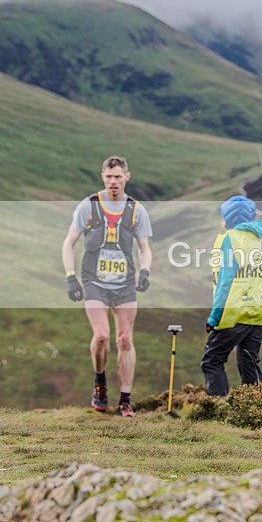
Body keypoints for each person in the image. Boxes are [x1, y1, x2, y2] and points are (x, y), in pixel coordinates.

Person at [62, 156, 152, 418]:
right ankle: (100, 383)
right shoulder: (89, 206)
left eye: (118, 176)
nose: (114, 181)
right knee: (101, 336)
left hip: (124, 284)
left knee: (125, 339)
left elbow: (145, 248)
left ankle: (125, 399)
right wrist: (70, 276)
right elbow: (69, 242)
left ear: (127, 177)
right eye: (109, 176)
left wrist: (145, 272)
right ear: (103, 176)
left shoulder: (136, 210)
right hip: (94, 282)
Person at [201, 195, 262, 397]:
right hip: (261, 310)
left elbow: (225, 283)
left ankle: (218, 409)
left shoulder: (230, 239)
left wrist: (214, 317)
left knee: (212, 360)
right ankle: (255, 410)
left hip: (236, 311)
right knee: (249, 360)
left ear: (228, 219)